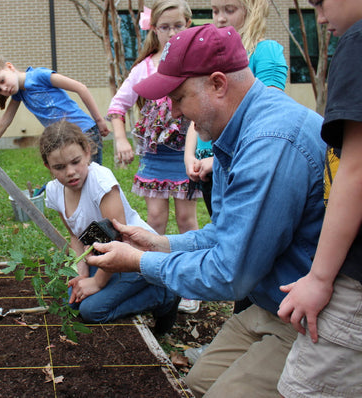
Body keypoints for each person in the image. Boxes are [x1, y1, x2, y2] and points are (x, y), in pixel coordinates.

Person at [86, 24, 326, 397]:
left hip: (310, 315)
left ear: (217, 84)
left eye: (179, 97)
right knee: (197, 382)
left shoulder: (269, 144)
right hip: (275, 302)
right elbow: (226, 233)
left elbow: (231, 273)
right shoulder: (237, 130)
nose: (176, 112)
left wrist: (138, 262)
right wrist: (158, 243)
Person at [277, 2, 362, 397]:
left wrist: (321, 277)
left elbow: (357, 169)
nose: (320, 18)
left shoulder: (358, 40)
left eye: (319, 2)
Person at [107, 0, 200, 314]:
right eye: (165, 27)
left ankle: (190, 283)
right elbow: (118, 107)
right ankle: (155, 277)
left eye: (178, 25)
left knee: (187, 220)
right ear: (154, 29)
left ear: (189, 25)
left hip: (186, 156)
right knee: (156, 220)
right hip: (156, 157)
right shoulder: (144, 68)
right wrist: (121, 139)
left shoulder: (197, 63)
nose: (172, 32)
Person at [40, 120, 178, 328]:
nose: (70, 172)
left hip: (135, 256)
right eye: (59, 167)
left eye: (75, 161)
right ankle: (119, 286)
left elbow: (118, 241)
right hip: (106, 258)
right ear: (48, 167)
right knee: (71, 302)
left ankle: (164, 294)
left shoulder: (101, 182)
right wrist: (81, 274)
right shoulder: (54, 191)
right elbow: (75, 236)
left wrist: (96, 282)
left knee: (91, 311)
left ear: (87, 152)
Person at [183, 0, 288, 217]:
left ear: (253, 12)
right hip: (206, 163)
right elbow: (199, 112)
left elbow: (267, 115)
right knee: (219, 227)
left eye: (229, 10)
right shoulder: (211, 58)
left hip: (241, 160)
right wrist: (189, 155)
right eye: (215, 11)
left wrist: (217, 160)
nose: (220, 18)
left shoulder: (265, 51)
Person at [0, 54, 109, 164]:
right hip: (65, 138)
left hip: (85, 132)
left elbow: (80, 88)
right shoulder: (19, 95)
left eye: (2, 80)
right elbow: (5, 120)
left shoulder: (39, 76)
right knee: (75, 181)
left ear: (9, 67)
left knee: (91, 179)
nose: (4, 89)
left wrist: (99, 120)